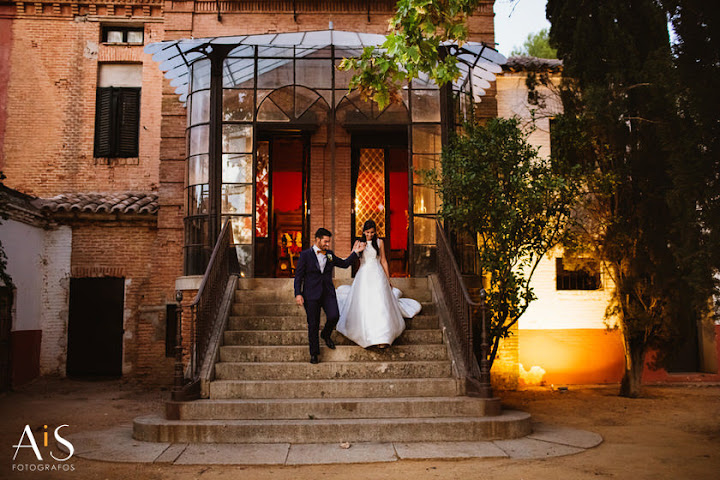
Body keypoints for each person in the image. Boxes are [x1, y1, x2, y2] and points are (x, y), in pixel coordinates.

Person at [336, 220, 422, 349]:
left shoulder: (379, 242)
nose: (370, 235)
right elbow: (352, 258)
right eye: (367, 232)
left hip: (377, 273)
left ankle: (383, 337)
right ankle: (366, 335)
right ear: (364, 231)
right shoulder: (359, 242)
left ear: (375, 232)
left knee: (380, 303)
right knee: (365, 303)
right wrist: (358, 250)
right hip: (364, 274)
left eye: (372, 232)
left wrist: (388, 279)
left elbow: (383, 261)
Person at [294, 227, 366, 364]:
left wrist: (356, 253)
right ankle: (314, 354)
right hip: (311, 295)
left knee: (334, 316)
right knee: (313, 324)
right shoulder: (305, 255)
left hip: (327, 293)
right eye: (325, 242)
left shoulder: (329, 254)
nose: (327, 244)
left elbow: (344, 264)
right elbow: (299, 276)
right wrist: (298, 293)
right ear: (317, 240)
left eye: (328, 242)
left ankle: (326, 334)